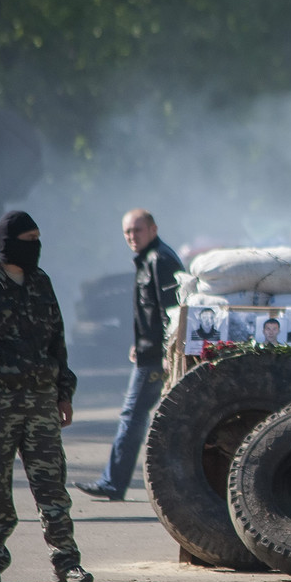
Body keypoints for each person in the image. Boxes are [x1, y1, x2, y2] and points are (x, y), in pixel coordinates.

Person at [0, 211, 92, 582]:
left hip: (41, 404)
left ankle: (66, 562)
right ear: (8, 244)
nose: (36, 248)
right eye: (29, 240)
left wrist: (64, 394)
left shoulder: (42, 283)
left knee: (52, 486)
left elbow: (56, 344)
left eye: (38, 239)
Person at [75, 209, 183, 502]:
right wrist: (141, 342)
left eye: (137, 230)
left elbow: (170, 313)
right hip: (149, 353)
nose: (132, 237)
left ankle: (113, 482)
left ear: (153, 229)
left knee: (133, 416)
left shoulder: (160, 259)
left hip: (156, 359)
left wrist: (164, 352)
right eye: (127, 232)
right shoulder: (149, 259)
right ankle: (116, 481)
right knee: (143, 416)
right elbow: (149, 313)